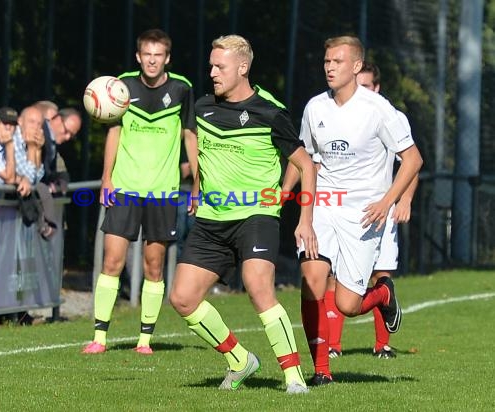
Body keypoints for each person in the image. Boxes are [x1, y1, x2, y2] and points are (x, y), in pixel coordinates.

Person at [169, 34, 317, 394]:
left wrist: (304, 217)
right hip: (210, 219)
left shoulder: (270, 111)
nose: (213, 72)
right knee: (182, 298)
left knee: (258, 285)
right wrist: (197, 187)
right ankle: (240, 360)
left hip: (256, 215)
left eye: (220, 66)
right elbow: (202, 153)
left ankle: (294, 376)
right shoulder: (203, 108)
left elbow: (305, 164)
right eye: (211, 65)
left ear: (242, 67)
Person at [283, 36, 422, 385]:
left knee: (347, 304)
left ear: (356, 66)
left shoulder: (378, 109)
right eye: (327, 61)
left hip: (364, 215)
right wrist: (284, 193)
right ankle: (321, 371)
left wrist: (389, 200)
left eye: (338, 62)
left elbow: (413, 159)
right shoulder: (315, 107)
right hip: (324, 206)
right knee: (313, 280)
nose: (330, 67)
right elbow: (305, 161)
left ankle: (383, 294)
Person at [82, 29, 197, 355]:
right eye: (147, 54)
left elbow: (191, 136)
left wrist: (198, 183)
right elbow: (114, 133)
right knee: (112, 261)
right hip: (126, 188)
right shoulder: (122, 85)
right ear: (138, 56)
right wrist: (107, 177)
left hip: (162, 191)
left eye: (158, 54)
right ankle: (99, 337)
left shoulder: (182, 89)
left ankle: (144, 339)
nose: (151, 60)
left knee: (154, 266)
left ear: (167, 58)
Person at [325, 62, 420, 360]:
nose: (360, 93)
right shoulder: (334, 115)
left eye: (366, 87)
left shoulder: (389, 116)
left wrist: (403, 200)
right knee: (335, 275)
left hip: (380, 210)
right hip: (342, 209)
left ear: (376, 88)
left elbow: (411, 162)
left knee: (381, 274)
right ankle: (333, 345)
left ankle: (382, 345)